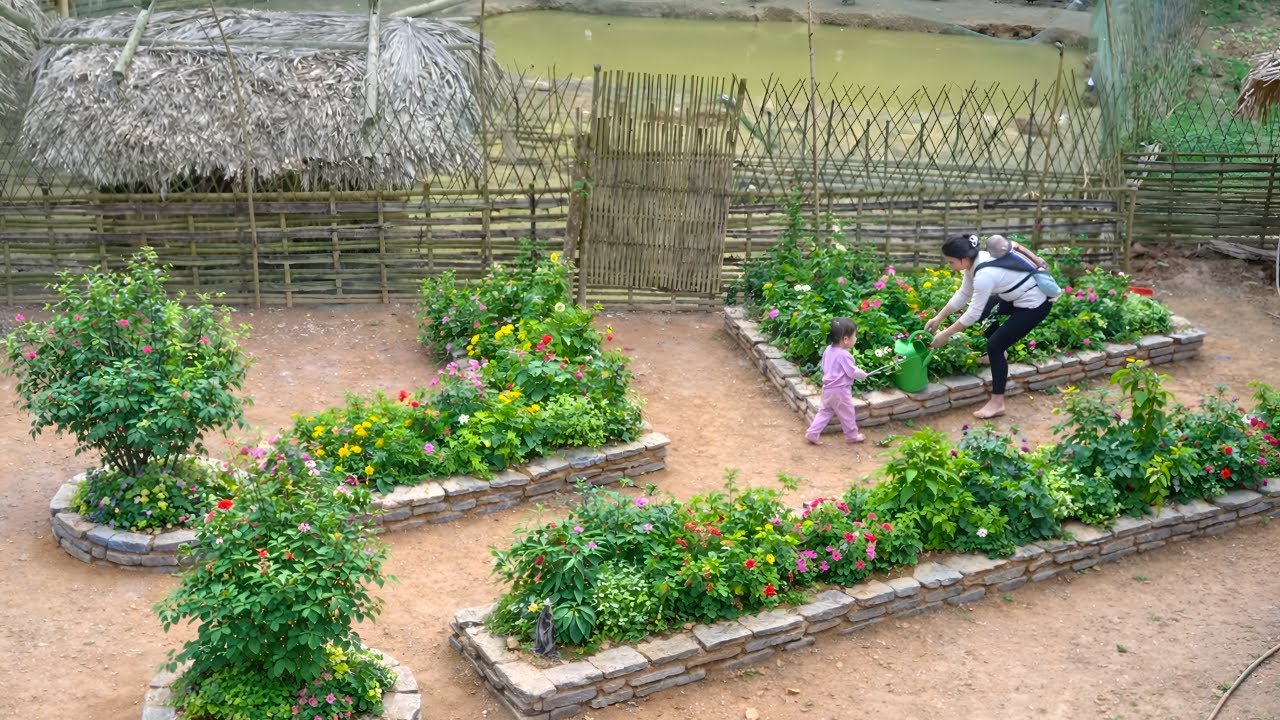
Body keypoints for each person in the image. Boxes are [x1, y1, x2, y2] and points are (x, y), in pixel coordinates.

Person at [923, 234, 1053, 419]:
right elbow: (963, 294)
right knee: (985, 312)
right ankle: (1002, 355)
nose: (949, 266)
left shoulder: (984, 274)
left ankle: (997, 402)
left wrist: (945, 334)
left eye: (951, 262)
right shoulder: (975, 263)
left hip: (1033, 306)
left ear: (964, 258)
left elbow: (972, 314)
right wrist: (938, 318)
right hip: (1015, 296)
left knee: (995, 345)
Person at [805, 317, 869, 445]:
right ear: (845, 339)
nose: (855, 338)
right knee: (847, 413)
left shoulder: (828, 350)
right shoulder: (844, 355)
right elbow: (852, 371)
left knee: (825, 411)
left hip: (827, 388)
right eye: (854, 336)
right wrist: (863, 374)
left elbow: (824, 366)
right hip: (840, 391)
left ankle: (812, 433)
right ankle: (852, 436)